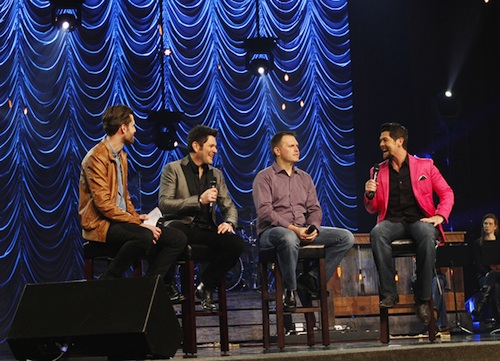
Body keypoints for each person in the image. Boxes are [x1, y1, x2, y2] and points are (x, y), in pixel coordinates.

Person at [79, 105, 187, 303]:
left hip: (121, 221)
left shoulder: (121, 157)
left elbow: (124, 197)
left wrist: (137, 217)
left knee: (177, 238)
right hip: (102, 225)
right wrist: (137, 224)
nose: (135, 130)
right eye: (133, 126)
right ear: (123, 128)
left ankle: (151, 286)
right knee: (144, 237)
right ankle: (108, 280)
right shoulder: (95, 158)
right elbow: (104, 205)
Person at [252, 131, 355, 312]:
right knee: (288, 238)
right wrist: (293, 229)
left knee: (345, 237)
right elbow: (265, 212)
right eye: (291, 145)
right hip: (272, 232)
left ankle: (310, 279)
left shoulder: (305, 178)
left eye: (297, 145)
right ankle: (290, 290)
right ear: (277, 150)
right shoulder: (264, 177)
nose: (297, 149)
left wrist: (313, 227)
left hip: (301, 228)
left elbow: (314, 208)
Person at [364, 122, 454, 325]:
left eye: (385, 140)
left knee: (427, 233)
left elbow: (447, 192)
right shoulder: (377, 170)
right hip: (392, 222)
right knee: (377, 233)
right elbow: (373, 208)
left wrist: (440, 216)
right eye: (380, 140)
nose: (381, 144)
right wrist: (369, 194)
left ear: (399, 141)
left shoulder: (425, 166)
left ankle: (422, 299)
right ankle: (389, 294)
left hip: (418, 220)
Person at [158, 125, 246, 312]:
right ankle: (168, 285)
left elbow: (229, 205)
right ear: (196, 147)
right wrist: (198, 200)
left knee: (236, 244)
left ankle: (206, 285)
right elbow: (165, 204)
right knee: (176, 235)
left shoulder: (216, 174)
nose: (215, 150)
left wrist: (229, 222)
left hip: (205, 229)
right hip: (180, 225)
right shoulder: (173, 169)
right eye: (211, 146)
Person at [472, 213, 500, 321]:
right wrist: (487, 273)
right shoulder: (477, 243)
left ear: (495, 226)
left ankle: (480, 305)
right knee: (496, 287)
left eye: (490, 224)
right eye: (485, 223)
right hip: (485, 275)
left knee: (493, 275)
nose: (487, 226)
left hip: (497, 273)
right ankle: (498, 320)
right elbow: (478, 263)